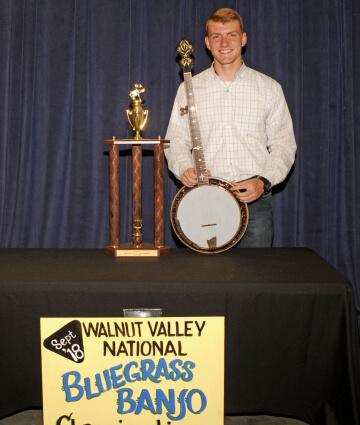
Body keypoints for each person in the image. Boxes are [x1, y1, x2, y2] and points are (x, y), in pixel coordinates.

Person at [165, 8, 296, 247]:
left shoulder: (269, 88)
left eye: (231, 35)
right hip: (203, 201)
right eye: (216, 36)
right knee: (203, 281)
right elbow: (176, 140)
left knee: (255, 281)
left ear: (243, 38)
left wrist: (263, 181)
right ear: (207, 42)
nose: (224, 43)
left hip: (254, 204)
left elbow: (283, 144)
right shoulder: (189, 88)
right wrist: (183, 167)